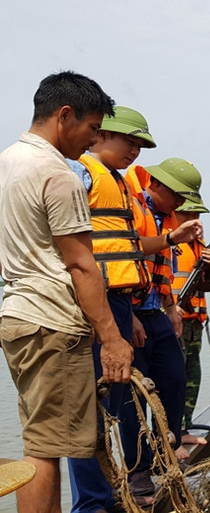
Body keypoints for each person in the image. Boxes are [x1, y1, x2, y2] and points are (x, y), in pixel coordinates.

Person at [0, 71, 133, 512]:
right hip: (53, 322)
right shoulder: (58, 175)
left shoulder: (8, 162)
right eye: (93, 129)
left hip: (19, 316)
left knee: (39, 438)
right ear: (65, 115)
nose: (93, 142)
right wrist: (113, 338)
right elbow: (80, 264)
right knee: (46, 448)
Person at [65, 106, 203, 512]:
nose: (135, 151)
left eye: (140, 145)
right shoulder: (81, 174)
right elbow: (67, 245)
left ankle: (116, 486)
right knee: (95, 406)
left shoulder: (120, 186)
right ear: (101, 134)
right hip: (97, 302)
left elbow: (128, 248)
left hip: (123, 302)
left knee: (118, 396)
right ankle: (94, 502)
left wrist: (170, 237)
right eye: (130, 141)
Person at [123, 157, 203, 496]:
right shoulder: (131, 206)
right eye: (179, 197)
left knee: (174, 381)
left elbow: (163, 272)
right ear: (157, 185)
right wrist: (128, 315)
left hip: (157, 312)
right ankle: (137, 471)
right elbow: (122, 254)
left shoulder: (166, 218)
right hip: (130, 309)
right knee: (134, 399)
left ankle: (164, 453)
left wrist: (171, 307)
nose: (182, 205)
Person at [171, 197, 210, 442]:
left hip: (195, 324)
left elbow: (207, 286)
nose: (194, 220)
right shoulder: (166, 242)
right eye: (187, 214)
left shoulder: (199, 246)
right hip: (173, 321)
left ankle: (184, 428)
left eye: (197, 215)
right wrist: (166, 308)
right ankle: (172, 433)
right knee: (173, 379)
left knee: (192, 378)